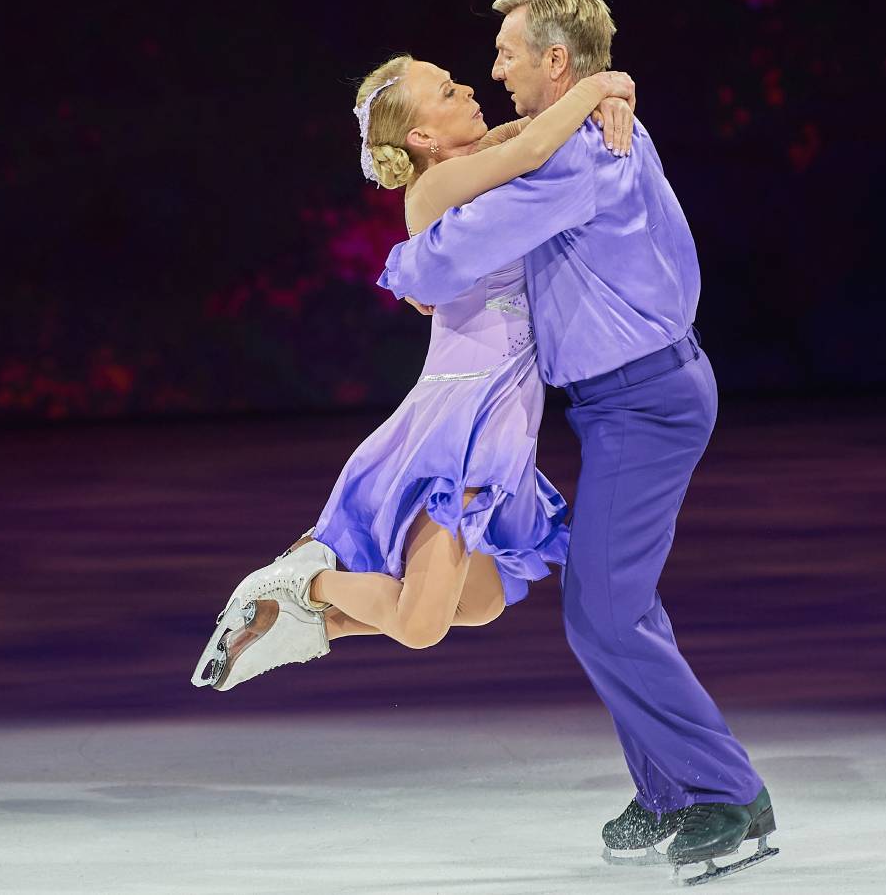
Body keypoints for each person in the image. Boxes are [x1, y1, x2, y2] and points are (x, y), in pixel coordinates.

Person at [377, 0, 778, 884]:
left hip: (648, 403)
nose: (495, 70)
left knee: (601, 609)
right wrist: (607, 86)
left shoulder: (584, 157)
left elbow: (444, 260)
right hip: (617, 404)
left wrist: (409, 260)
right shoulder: (573, 134)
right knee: (616, 603)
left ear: (555, 60)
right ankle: (673, 788)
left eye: (508, 54)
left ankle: (729, 797)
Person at [190, 55, 637, 691]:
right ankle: (300, 582)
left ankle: (311, 625)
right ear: (422, 138)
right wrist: (603, 82)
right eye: (450, 92)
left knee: (479, 602)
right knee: (422, 624)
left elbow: (535, 131)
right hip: (466, 417)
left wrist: (609, 101)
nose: (471, 90)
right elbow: (538, 140)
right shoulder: (434, 188)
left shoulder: (483, 166)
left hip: (500, 410)